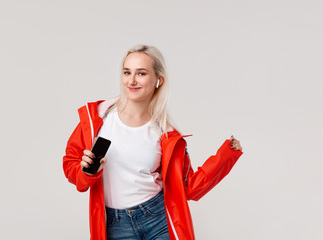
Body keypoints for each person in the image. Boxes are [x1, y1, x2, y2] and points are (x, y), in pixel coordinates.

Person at [63, 44, 243, 240]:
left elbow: (189, 188)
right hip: (116, 225)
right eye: (126, 72)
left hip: (158, 218)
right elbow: (72, 167)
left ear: (158, 80)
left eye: (141, 73)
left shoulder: (165, 133)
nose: (131, 80)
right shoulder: (98, 118)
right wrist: (88, 172)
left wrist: (226, 155)